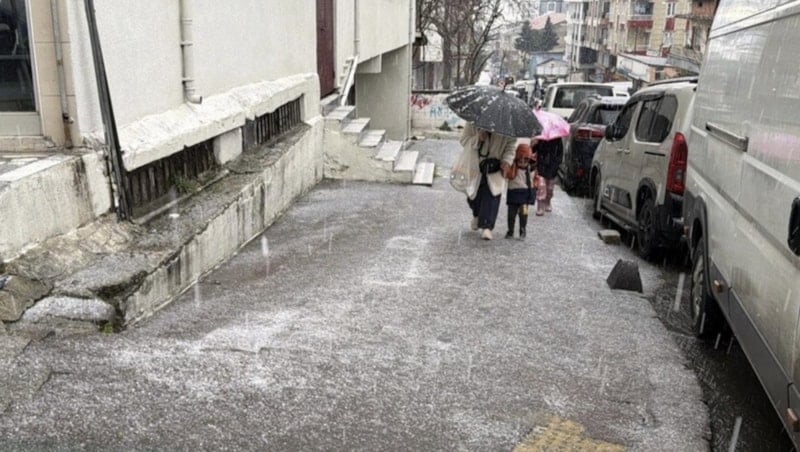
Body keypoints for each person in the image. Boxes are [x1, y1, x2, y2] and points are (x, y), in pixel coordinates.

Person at [459, 122, 516, 240]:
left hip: (495, 166)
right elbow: (463, 140)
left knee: (492, 196)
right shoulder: (473, 122)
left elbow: (511, 147)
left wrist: (506, 161)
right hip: (475, 164)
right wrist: (478, 138)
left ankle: (487, 227)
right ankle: (476, 214)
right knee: (473, 196)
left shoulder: (508, 125)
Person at [505, 143, 537, 240]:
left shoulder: (531, 168)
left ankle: (522, 231)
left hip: (525, 196)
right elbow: (508, 175)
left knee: (524, 214)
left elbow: (533, 182)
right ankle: (510, 231)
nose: (523, 161)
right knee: (511, 215)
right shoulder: (512, 165)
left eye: (526, 159)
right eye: (520, 158)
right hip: (513, 193)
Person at [533, 136, 563, 216]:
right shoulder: (541, 138)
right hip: (542, 165)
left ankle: (548, 201)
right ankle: (540, 206)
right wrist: (535, 144)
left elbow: (560, 152)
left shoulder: (557, 139)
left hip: (552, 167)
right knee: (541, 187)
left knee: (550, 188)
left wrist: (557, 163)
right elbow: (534, 150)